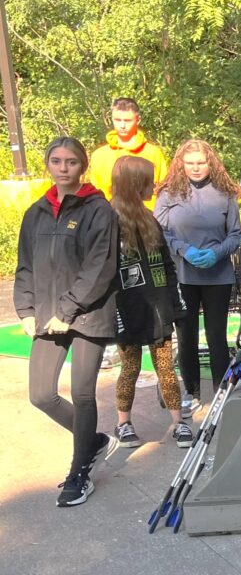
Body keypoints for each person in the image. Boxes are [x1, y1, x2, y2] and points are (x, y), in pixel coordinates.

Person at [14, 137, 119, 506]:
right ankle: (92, 441)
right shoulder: (35, 212)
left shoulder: (98, 210)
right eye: (56, 161)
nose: (63, 168)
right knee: (41, 394)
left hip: (88, 314)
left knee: (82, 393)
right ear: (48, 165)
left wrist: (69, 309)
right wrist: (26, 310)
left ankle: (79, 472)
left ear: (82, 166)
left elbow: (100, 266)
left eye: (71, 161)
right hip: (46, 314)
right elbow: (25, 266)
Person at [110, 156, 193, 449]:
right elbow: (103, 272)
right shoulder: (108, 222)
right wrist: (112, 311)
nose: (155, 185)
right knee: (130, 368)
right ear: (135, 183)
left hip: (159, 308)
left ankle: (178, 421)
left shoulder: (150, 219)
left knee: (166, 369)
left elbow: (167, 266)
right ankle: (123, 423)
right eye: (150, 180)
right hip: (127, 309)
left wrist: (175, 302)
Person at [156, 140, 241, 413]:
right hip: (183, 275)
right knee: (187, 335)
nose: (195, 168)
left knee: (217, 335)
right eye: (190, 162)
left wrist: (217, 253)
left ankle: (220, 391)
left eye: (201, 162)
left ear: (211, 163)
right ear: (181, 163)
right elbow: (159, 232)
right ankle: (191, 390)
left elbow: (235, 235)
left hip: (218, 275)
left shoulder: (226, 193)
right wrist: (183, 250)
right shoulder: (168, 194)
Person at [89, 97, 168, 208]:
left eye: (127, 121)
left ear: (138, 119)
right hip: (109, 217)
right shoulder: (100, 155)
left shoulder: (153, 153)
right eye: (117, 120)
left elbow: (161, 191)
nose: (122, 126)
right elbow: (97, 193)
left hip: (146, 218)